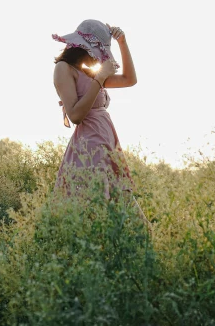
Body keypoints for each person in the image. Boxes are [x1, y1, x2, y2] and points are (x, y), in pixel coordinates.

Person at [52, 19, 151, 232]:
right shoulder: (63, 69)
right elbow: (76, 115)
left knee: (138, 225)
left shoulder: (88, 71)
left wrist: (123, 42)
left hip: (108, 146)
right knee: (96, 218)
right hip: (89, 148)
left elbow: (129, 79)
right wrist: (101, 77)